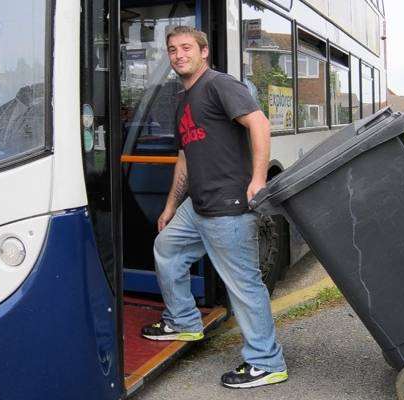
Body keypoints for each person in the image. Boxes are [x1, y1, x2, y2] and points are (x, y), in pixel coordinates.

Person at [141, 26, 288, 389]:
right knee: (167, 248)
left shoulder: (220, 85)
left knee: (243, 285)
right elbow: (185, 158)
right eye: (172, 50)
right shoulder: (182, 99)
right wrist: (171, 206)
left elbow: (259, 124)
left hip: (230, 205)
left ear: (203, 52)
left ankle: (266, 361)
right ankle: (184, 320)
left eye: (186, 47)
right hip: (199, 205)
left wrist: (258, 180)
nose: (178, 55)